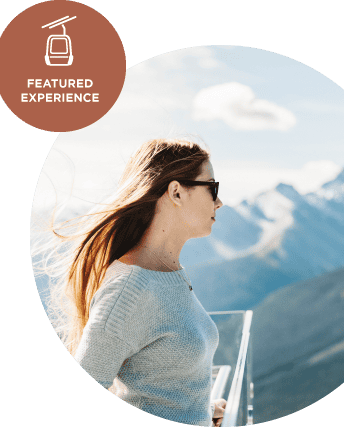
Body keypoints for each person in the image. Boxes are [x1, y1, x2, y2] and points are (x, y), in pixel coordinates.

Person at [50, 138, 225, 427]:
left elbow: (159, 381)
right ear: (177, 192)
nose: (219, 201)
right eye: (212, 188)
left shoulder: (169, 271)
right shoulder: (128, 291)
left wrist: (201, 412)